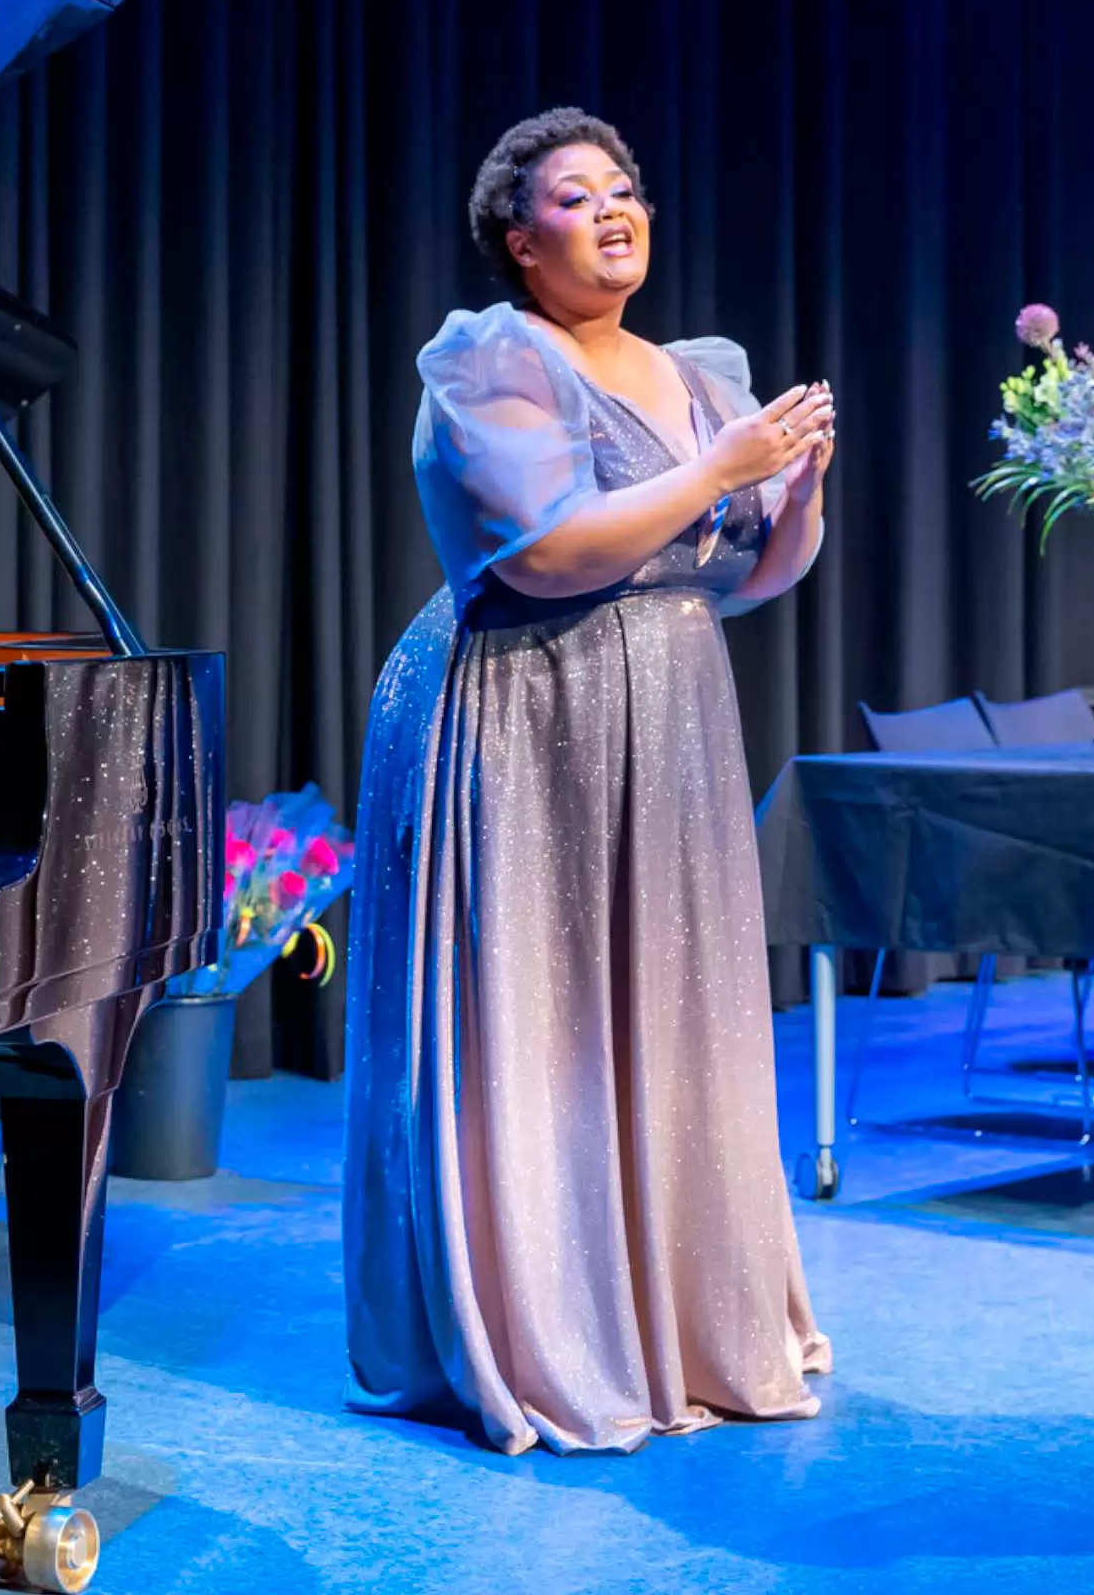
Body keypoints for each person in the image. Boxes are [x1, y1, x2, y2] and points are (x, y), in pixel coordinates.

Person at [343, 109, 836, 1455]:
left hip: (671, 708)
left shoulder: (698, 376)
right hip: (529, 699)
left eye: (627, 189)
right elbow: (552, 555)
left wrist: (790, 495)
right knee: (543, 1009)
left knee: (673, 1005)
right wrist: (720, 470)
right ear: (521, 238)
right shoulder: (493, 358)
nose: (615, 210)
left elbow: (739, 577)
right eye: (576, 196)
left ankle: (683, 1315)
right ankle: (550, 1322)